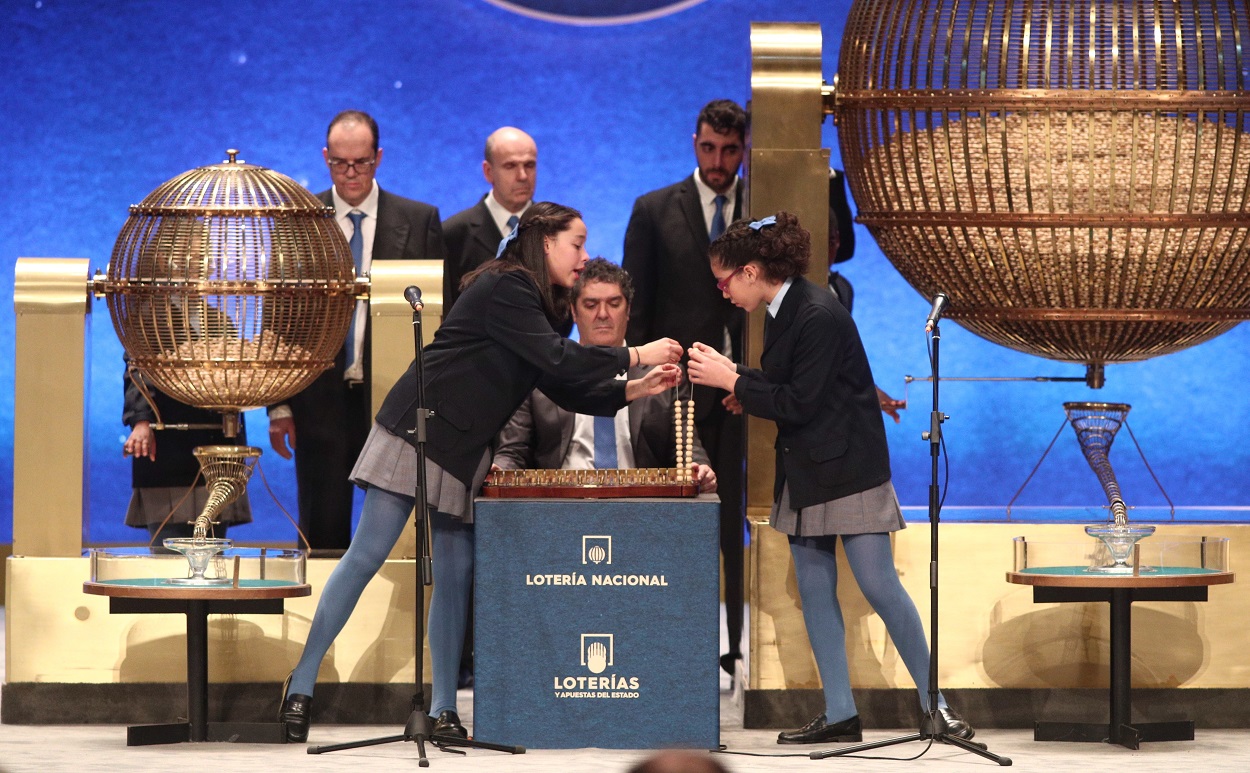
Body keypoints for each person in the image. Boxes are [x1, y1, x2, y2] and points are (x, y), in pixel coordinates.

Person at [279, 202, 684, 743]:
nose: (584, 257)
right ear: (545, 243)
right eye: (577, 244)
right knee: (368, 553)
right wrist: (635, 355)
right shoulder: (508, 287)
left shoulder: (540, 303)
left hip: (464, 444)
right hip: (417, 428)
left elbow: (555, 381)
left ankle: (445, 709)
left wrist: (632, 390)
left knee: (456, 572)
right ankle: (301, 684)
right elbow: (560, 360)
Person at [686, 211, 973, 744]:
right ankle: (841, 714)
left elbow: (800, 401)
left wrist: (735, 380)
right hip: (807, 470)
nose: (721, 291)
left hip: (848, 471)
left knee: (880, 587)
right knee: (816, 594)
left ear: (750, 271)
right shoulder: (782, 309)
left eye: (724, 280)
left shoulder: (817, 311)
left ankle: (938, 706)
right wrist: (741, 381)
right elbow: (787, 385)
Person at [267, 110, 446, 551]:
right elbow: (278, 318)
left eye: (361, 163)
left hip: (395, 399)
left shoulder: (419, 220)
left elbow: (442, 319)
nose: (350, 174)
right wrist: (278, 406)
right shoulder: (300, 222)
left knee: (393, 533)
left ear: (379, 158)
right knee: (320, 529)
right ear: (325, 158)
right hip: (317, 399)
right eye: (339, 163)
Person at [622, 99, 747, 676]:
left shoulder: (762, 210)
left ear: (743, 149)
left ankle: (738, 646)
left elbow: (824, 250)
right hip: (677, 391)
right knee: (680, 513)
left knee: (738, 518)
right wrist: (643, 384)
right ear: (693, 144)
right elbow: (638, 310)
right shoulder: (653, 210)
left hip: (747, 391)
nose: (717, 161)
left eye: (729, 150)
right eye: (708, 148)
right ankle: (677, 646)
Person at [494, 257, 716, 493]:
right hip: (561, 504)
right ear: (573, 311)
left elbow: (687, 449)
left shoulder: (664, 374)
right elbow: (513, 450)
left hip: (641, 505)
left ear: (628, 309)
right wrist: (500, 468)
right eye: (590, 305)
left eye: (613, 303)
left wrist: (699, 468)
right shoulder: (543, 371)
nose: (602, 314)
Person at [122, 364, 251, 542]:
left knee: (213, 557)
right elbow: (137, 366)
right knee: (168, 557)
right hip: (167, 449)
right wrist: (141, 420)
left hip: (219, 445)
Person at [442, 126, 538, 313]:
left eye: (529, 165)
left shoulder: (554, 229)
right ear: (488, 171)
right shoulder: (454, 233)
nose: (523, 176)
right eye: (510, 166)